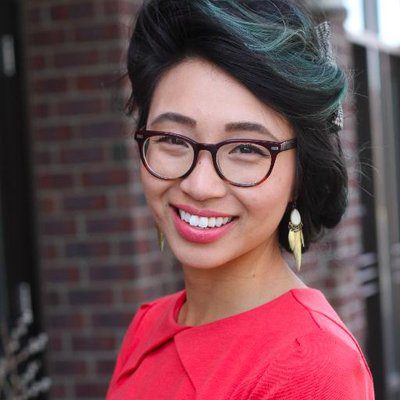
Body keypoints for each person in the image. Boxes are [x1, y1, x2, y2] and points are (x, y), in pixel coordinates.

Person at [107, 0, 375, 398]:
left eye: (247, 148)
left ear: (300, 174)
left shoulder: (310, 366)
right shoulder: (149, 325)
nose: (200, 185)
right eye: (173, 139)